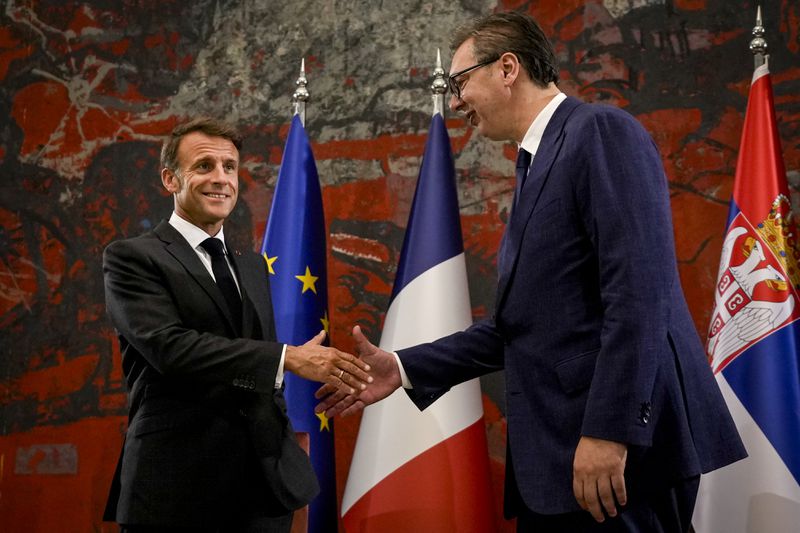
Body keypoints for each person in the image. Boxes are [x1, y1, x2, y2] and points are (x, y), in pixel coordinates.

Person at [317, 12, 746, 533]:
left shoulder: (601, 132)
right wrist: (401, 368)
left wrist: (610, 433)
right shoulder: (535, 164)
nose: (454, 102)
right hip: (558, 461)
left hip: (615, 459)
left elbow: (639, 296)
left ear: (507, 68)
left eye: (460, 83)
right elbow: (519, 327)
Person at [102, 117, 371, 532]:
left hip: (262, 492)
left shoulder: (251, 265)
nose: (221, 179)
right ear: (170, 179)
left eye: (230, 167)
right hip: (174, 491)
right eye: (204, 166)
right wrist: (287, 359)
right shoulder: (133, 258)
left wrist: (285, 424)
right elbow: (170, 349)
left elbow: (255, 368)